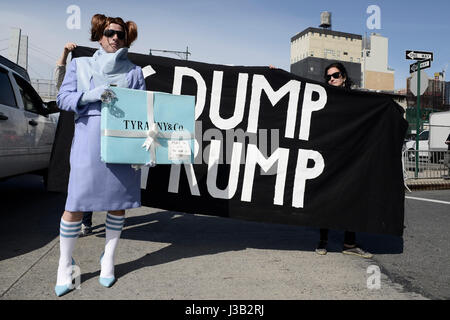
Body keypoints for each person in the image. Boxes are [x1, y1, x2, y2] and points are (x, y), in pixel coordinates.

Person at [54, 13, 145, 297]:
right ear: (99, 35)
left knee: (117, 203)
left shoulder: (134, 72)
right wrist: (88, 96)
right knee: (75, 203)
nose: (114, 37)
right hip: (87, 140)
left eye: (119, 34)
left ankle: (109, 259)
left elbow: (142, 111)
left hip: (121, 143)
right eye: (109, 32)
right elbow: (62, 98)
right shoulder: (80, 65)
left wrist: (148, 144)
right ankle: (64, 264)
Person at [315, 62, 373, 259]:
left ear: (344, 77)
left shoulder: (356, 99)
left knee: (350, 199)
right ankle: (322, 240)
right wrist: (275, 74)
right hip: (328, 156)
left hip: (350, 158)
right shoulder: (323, 97)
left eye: (336, 75)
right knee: (325, 198)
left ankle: (349, 243)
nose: (332, 79)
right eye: (329, 76)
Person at [54, 42, 94, 237]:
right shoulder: (68, 88)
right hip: (69, 130)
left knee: (87, 178)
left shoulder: (90, 85)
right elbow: (59, 76)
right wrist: (65, 53)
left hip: (85, 129)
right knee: (75, 179)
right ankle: (74, 219)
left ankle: (85, 221)